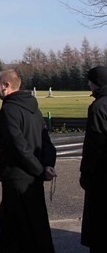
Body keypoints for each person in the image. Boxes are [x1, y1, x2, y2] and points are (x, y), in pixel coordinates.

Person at [0, 69, 56, 253]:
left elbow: (19, 147)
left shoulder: (9, 110)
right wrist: (47, 166)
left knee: (14, 232)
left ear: (6, 86)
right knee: (37, 227)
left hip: (17, 179)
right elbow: (47, 143)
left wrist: (41, 170)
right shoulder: (34, 109)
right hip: (33, 179)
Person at [80, 65, 107, 252]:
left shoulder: (98, 107)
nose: (88, 84)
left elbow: (94, 144)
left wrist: (85, 172)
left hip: (101, 173)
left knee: (98, 218)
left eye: (90, 81)